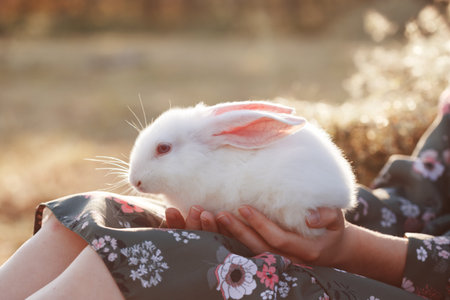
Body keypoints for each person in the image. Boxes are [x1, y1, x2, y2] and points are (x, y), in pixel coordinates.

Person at [1, 90, 449, 299]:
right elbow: (420, 196)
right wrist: (326, 220)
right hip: (395, 239)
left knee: (154, 257)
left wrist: (350, 245)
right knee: (105, 215)